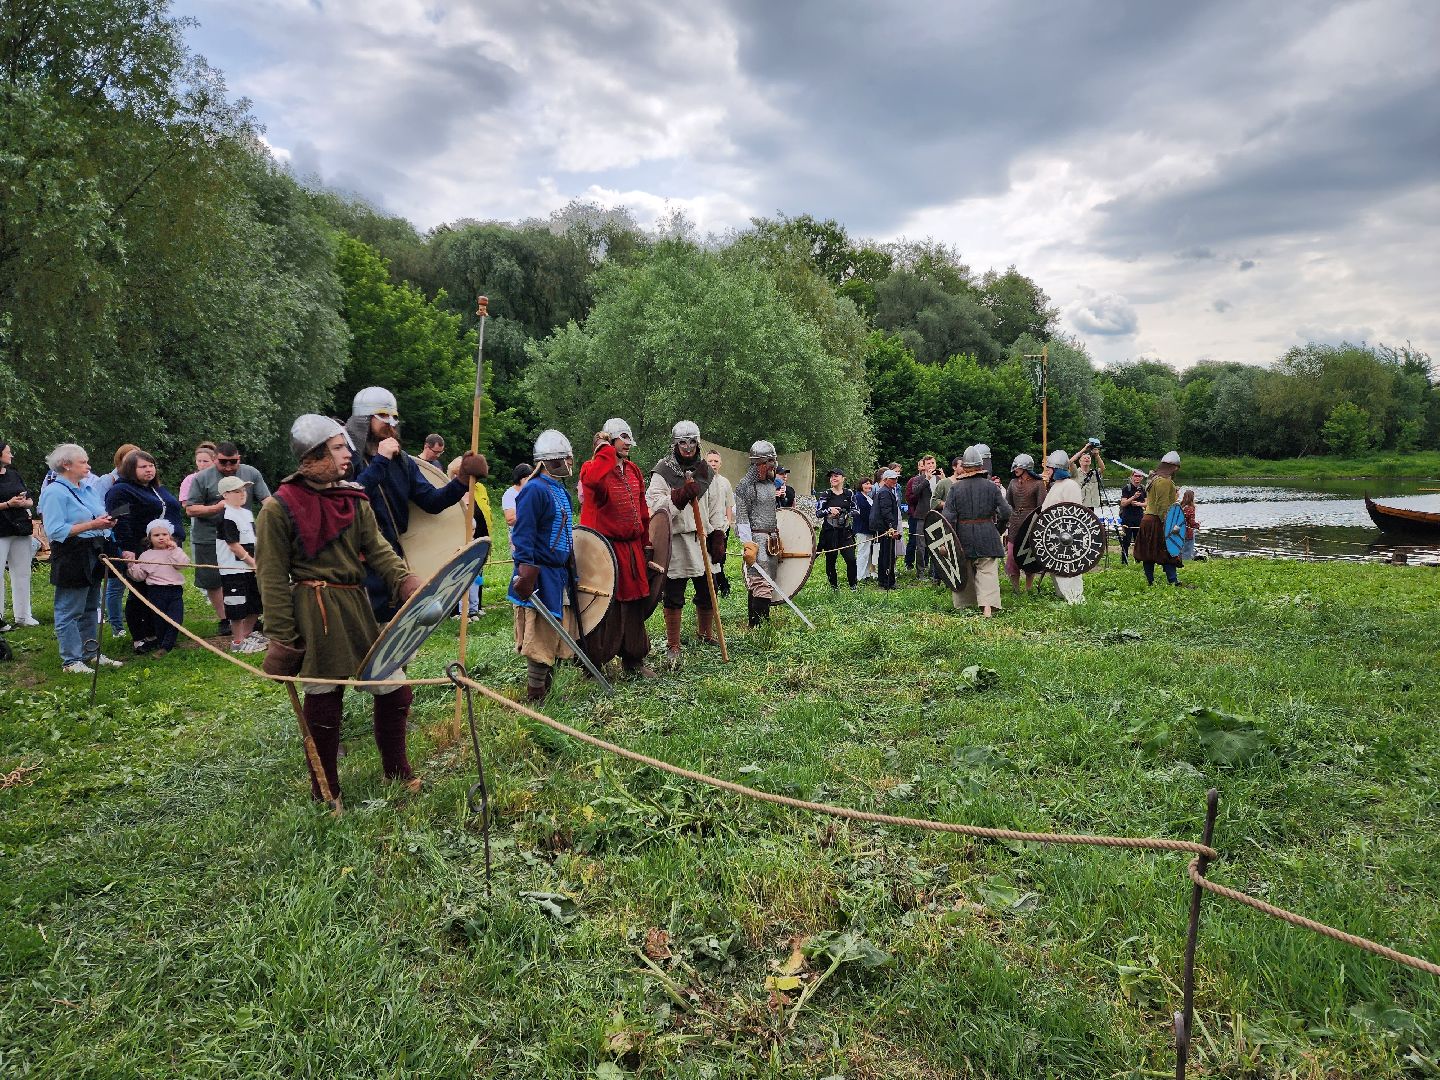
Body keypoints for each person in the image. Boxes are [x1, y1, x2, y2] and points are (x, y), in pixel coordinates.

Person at [258, 416, 423, 800]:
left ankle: (396, 771)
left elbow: (379, 547)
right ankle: (325, 787)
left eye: (345, 446)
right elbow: (270, 577)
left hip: (356, 604)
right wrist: (283, 638)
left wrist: (404, 579)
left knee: (395, 690)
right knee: (325, 698)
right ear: (313, 455)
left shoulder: (353, 498)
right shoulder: (278, 508)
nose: (347, 454)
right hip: (315, 612)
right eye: (337, 448)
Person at [345, 387, 487, 620]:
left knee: (393, 629)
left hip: (393, 557)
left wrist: (461, 479)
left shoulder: (402, 462)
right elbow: (349, 499)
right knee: (362, 633)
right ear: (363, 419)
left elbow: (431, 501)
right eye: (383, 416)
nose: (390, 423)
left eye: (394, 417)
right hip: (355, 560)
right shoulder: (346, 460)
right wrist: (380, 461)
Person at [578, 418, 655, 678]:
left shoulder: (632, 470)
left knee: (633, 605)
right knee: (604, 605)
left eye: (628, 438)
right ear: (610, 440)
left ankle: (633, 659)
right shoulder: (594, 468)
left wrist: (646, 544)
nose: (628, 443)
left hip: (632, 548)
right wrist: (604, 452)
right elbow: (591, 483)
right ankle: (594, 663)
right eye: (622, 438)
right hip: (605, 551)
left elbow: (642, 512)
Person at [37, 444, 124, 674]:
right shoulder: (55, 492)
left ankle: (91, 653)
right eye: (83, 462)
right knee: (69, 608)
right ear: (66, 465)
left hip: (93, 550)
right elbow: (55, 531)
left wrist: (105, 521)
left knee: (90, 606)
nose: (88, 466)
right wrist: (93, 524)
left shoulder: (86, 488)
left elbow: (94, 516)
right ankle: (71, 660)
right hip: (71, 553)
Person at [508, 429, 580, 702]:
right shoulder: (534, 490)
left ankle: (548, 690)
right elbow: (523, 532)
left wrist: (570, 558)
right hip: (538, 573)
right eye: (566, 459)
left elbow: (564, 531)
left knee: (555, 632)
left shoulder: (560, 489)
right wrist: (525, 569)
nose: (570, 463)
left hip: (557, 572)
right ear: (552, 460)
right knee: (540, 634)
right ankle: (536, 694)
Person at [646, 421, 727, 657]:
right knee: (673, 594)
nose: (688, 447)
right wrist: (679, 496)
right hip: (677, 540)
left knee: (706, 590)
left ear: (698, 443)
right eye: (683, 442)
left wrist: (718, 533)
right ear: (675, 444)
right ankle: (673, 644)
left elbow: (715, 506)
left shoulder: (705, 470)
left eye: (692, 442)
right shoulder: (663, 471)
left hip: (702, 538)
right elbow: (653, 506)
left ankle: (705, 633)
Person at [185, 441, 271, 637]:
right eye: (224, 462)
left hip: (244, 534)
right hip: (208, 535)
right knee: (213, 579)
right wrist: (218, 507)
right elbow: (190, 508)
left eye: (233, 462)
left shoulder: (251, 473)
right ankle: (226, 620)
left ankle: (246, 622)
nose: (229, 467)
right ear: (215, 459)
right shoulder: (202, 477)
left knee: (246, 578)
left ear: (239, 458)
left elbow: (267, 501)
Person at [106, 450, 186, 649]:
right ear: (131, 469)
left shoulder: (158, 489)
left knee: (161, 591)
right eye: (143, 466)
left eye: (151, 466)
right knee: (139, 592)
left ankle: (157, 632)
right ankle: (140, 636)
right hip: (139, 550)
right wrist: (127, 548)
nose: (149, 470)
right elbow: (119, 520)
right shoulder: (120, 490)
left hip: (166, 549)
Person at [941, 446, 1010, 617]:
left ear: (964, 467)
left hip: (962, 536)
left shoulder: (955, 489)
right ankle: (987, 609)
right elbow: (1006, 512)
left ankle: (964, 607)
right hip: (987, 533)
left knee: (964, 571)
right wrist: (997, 530)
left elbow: (947, 518)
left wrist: (946, 541)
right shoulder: (992, 487)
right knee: (987, 572)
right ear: (981, 466)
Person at [735, 439, 782, 625]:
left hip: (771, 539)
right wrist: (748, 543)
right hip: (755, 538)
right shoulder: (745, 486)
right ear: (758, 464)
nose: (772, 466)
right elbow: (742, 517)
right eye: (768, 463)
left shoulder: (771, 484)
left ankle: (755, 623)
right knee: (759, 580)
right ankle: (760, 627)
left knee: (765, 579)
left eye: (772, 461)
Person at [126, 519, 189, 658]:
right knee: (159, 620)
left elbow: (183, 565)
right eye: (156, 535)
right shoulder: (146, 555)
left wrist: (175, 550)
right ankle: (163, 642)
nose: (161, 538)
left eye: (164, 534)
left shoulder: (175, 551)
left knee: (176, 619)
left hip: (175, 590)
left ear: (170, 536)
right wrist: (131, 565)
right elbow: (139, 576)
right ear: (149, 538)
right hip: (156, 592)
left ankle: (167, 645)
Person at [216, 476, 264, 653]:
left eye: (243, 490)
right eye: (237, 491)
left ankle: (247, 634)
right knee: (236, 605)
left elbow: (253, 539)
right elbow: (233, 545)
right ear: (225, 495)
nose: (242, 494)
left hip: (252, 567)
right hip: (234, 569)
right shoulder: (226, 515)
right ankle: (237, 641)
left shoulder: (246, 513)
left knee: (255, 601)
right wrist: (252, 563)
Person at [446, 455, 491, 620]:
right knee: (458, 575)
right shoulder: (451, 493)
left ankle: (474, 607)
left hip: (476, 537)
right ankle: (455, 610)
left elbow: (485, 511)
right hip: (458, 540)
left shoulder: (478, 490)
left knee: (475, 576)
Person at [1039, 449, 1087, 604]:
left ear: (1057, 469)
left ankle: (1075, 598)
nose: (1047, 472)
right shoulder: (1055, 485)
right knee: (1056, 567)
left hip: (1066, 537)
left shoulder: (1071, 486)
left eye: (1049, 469)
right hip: (1053, 535)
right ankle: (1062, 595)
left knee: (1068, 568)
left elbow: (1073, 515)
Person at [0, 438, 38, 629]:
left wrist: (24, 503)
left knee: (22, 572)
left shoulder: (14, 474)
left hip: (20, 528)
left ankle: (23, 616)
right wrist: (8, 504)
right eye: (8, 451)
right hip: (0, 530)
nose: (11, 454)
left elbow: (30, 499)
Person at [1137, 451, 1185, 587]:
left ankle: (1150, 581)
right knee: (1168, 550)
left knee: (1149, 552)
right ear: (1172, 467)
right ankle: (1172, 580)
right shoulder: (1163, 481)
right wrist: (1167, 524)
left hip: (1147, 519)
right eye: (1176, 467)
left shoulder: (1154, 479)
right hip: (1157, 520)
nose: (1176, 470)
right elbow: (1162, 505)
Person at [1005, 453, 1044, 592]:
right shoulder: (1012, 483)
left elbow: (1041, 507)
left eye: (1018, 466)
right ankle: (1016, 589)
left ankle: (1028, 588)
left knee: (1029, 556)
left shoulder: (1038, 484)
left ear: (1026, 467)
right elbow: (1008, 503)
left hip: (1030, 523)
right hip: (1015, 522)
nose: (1015, 469)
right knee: (1011, 557)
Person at [815, 468, 857, 589]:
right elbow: (818, 512)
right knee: (831, 560)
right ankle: (834, 587)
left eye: (836, 476)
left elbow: (856, 510)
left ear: (843, 478)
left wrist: (846, 514)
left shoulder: (849, 493)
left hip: (845, 532)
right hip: (830, 532)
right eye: (831, 476)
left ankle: (853, 586)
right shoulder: (826, 494)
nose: (833, 478)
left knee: (851, 559)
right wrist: (829, 510)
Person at [705, 449, 735, 597]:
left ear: (720, 463)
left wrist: (728, 522)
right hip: (706, 527)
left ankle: (723, 587)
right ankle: (711, 588)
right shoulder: (702, 482)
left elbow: (729, 504)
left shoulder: (725, 483)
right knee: (707, 559)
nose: (713, 464)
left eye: (716, 461)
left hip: (722, 527)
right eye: (710, 461)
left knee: (720, 558)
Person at [904, 455, 935, 575]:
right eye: (928, 464)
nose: (931, 465)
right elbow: (915, 493)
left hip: (936, 515)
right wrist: (926, 479)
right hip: (921, 515)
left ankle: (934, 572)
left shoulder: (939, 478)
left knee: (935, 545)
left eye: (933, 463)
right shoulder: (917, 479)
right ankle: (920, 571)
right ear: (924, 466)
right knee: (920, 545)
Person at [870, 469, 901, 590]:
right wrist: (891, 527)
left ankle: (884, 580)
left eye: (896, 478)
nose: (895, 481)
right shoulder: (885, 493)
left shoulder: (887, 491)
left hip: (884, 528)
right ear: (885, 479)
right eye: (892, 479)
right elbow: (886, 511)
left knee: (884, 554)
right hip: (885, 529)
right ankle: (888, 582)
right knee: (887, 555)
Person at [1117, 469, 1147, 565]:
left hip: (1139, 517)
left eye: (1139, 476)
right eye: (1135, 476)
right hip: (1127, 516)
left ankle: (1138, 560)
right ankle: (1124, 561)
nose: (1137, 478)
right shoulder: (1127, 488)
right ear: (1132, 477)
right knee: (1126, 540)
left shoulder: (1143, 488)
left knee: (1139, 540)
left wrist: (1138, 504)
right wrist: (1133, 498)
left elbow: (1147, 504)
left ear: (1142, 478)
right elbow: (1123, 503)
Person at [1071, 441, 1105, 512]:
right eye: (1084, 458)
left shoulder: (1094, 472)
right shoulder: (1075, 472)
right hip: (1078, 504)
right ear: (1080, 461)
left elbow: (1102, 468)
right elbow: (1069, 462)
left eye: (1088, 458)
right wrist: (1084, 449)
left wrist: (1097, 455)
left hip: (1091, 505)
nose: (1087, 459)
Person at [853, 476, 876, 581]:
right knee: (862, 552)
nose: (868, 486)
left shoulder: (868, 497)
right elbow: (863, 514)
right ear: (860, 485)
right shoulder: (858, 497)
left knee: (867, 552)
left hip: (869, 529)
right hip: (862, 528)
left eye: (869, 483)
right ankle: (859, 576)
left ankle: (866, 574)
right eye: (866, 484)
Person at [1179, 488, 1200, 562]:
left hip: (1179, 531)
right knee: (1188, 551)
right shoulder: (1190, 508)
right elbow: (1191, 523)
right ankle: (1186, 565)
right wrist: (1198, 525)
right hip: (1188, 532)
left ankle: (1178, 563)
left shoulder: (1180, 506)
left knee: (1180, 550)